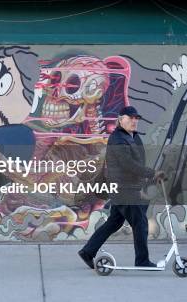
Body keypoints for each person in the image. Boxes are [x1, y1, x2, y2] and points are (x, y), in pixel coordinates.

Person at [78, 106, 165, 269]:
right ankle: (142, 261)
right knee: (140, 223)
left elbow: (138, 162)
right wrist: (151, 173)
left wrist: (148, 178)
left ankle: (88, 251)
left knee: (114, 222)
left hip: (129, 187)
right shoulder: (117, 139)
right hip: (124, 189)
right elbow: (128, 164)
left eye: (136, 118)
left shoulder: (133, 137)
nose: (134, 121)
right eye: (130, 117)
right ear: (120, 119)